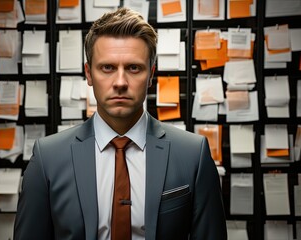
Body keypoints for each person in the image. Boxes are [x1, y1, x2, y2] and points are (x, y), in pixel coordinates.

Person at [14, 7, 227, 240]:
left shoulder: (192, 155)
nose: (120, 82)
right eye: (108, 68)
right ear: (88, 73)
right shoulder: (48, 158)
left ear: (151, 74)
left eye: (134, 68)